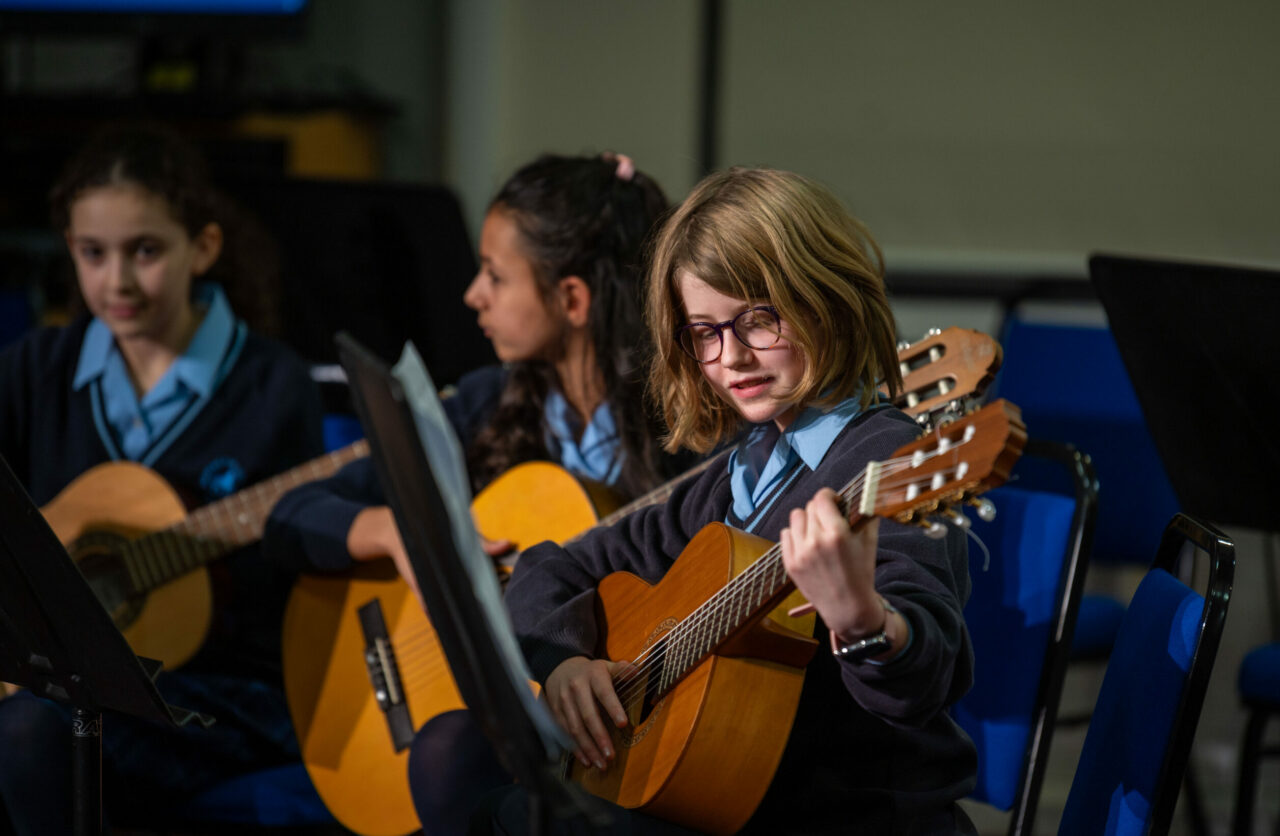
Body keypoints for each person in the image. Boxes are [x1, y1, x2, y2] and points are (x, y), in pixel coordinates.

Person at [489, 167, 979, 835]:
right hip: (738, 802)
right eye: (705, 333)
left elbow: (926, 675)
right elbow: (554, 566)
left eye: (759, 320)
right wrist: (564, 660)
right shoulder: (739, 471)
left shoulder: (891, 463)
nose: (732, 358)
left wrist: (865, 621)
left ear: (826, 297)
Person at [263, 152, 692, 836]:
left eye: (494, 275)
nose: (471, 296)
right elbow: (291, 516)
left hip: (616, 728)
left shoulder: (686, 438)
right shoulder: (487, 405)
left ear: (573, 300)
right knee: (450, 751)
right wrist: (398, 534)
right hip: (467, 716)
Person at [0, 124, 325, 834]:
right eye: (92, 254)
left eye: (144, 251)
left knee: (33, 732)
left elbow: (299, 575)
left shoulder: (274, 385)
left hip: (223, 697)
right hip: (60, 689)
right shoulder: (35, 369)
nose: (116, 281)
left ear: (202, 248)